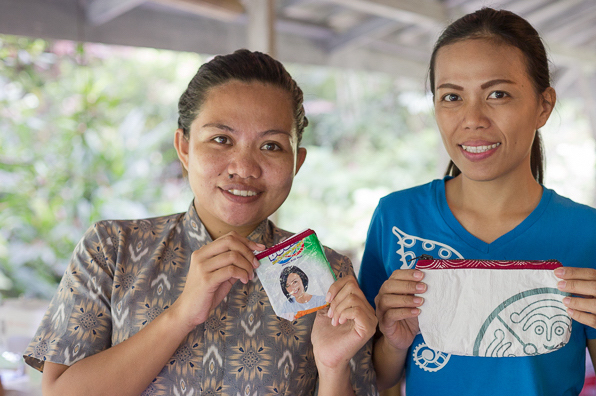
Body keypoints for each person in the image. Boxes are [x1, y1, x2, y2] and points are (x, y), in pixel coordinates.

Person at [23, 49, 378, 396]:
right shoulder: (112, 248)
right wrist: (179, 316)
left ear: (297, 162)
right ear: (184, 147)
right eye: (221, 139)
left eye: (271, 146)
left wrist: (333, 370)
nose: (244, 168)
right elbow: (58, 391)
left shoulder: (328, 274)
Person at [358, 7, 596, 396]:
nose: (472, 118)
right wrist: (395, 342)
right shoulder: (397, 218)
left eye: (498, 94)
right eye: (451, 96)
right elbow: (373, 379)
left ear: (543, 106)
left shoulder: (593, 235)